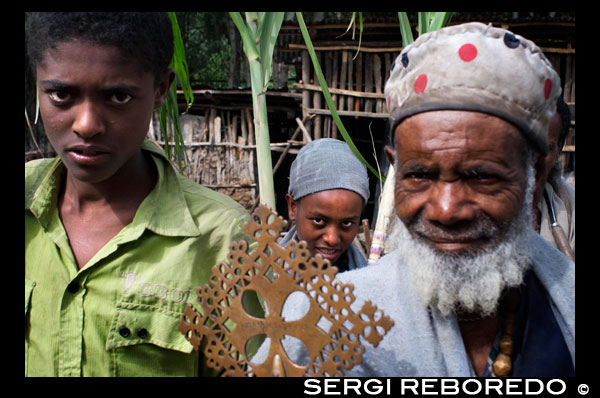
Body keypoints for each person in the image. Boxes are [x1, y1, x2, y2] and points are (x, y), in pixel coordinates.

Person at [273, 22, 574, 377]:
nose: (446, 209)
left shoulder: (565, 299)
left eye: (480, 176)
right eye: (419, 176)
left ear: (535, 176)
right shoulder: (320, 320)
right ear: (394, 170)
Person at [25, 12, 261, 377]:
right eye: (61, 94)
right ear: (37, 84)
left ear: (161, 90)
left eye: (118, 97)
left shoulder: (222, 237)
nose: (87, 124)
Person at [281, 138, 370, 272]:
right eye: (319, 221)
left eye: (347, 224)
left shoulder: (367, 282)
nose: (332, 239)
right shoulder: (266, 278)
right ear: (293, 207)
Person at [532, 98, 575, 258]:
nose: (531, 157)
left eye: (544, 148)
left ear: (559, 149)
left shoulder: (569, 204)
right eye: (523, 144)